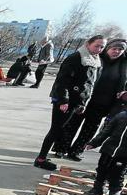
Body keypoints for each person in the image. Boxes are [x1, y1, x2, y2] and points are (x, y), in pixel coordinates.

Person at [33, 35, 106, 171]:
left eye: (102, 47)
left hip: (76, 101)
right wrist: (63, 100)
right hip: (66, 100)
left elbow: (88, 85)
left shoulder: (95, 61)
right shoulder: (76, 58)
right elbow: (62, 81)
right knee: (55, 130)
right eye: (97, 45)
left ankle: (42, 157)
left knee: (59, 129)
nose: (99, 49)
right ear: (88, 44)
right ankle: (40, 159)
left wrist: (83, 103)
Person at [56, 39, 127, 161]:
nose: (116, 51)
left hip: (104, 104)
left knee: (89, 129)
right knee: (72, 124)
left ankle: (76, 151)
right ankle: (61, 148)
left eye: (120, 49)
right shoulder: (97, 58)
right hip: (85, 99)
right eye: (114, 48)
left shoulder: (123, 64)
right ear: (107, 48)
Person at [84, 108, 127, 195]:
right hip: (108, 149)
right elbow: (106, 131)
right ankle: (97, 189)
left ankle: (114, 192)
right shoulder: (121, 115)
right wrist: (94, 142)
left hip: (123, 154)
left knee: (117, 172)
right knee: (101, 169)